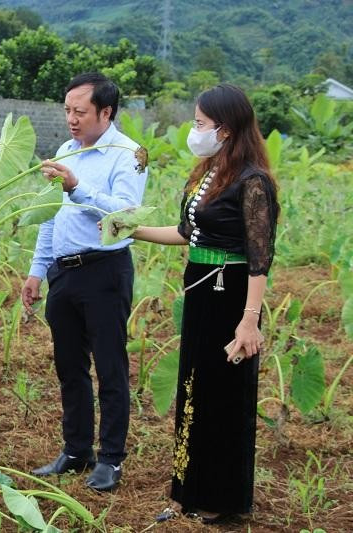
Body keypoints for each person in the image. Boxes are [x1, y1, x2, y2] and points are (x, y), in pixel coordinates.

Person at [132, 84, 278, 523]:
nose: (194, 131)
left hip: (230, 293)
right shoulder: (208, 172)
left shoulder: (253, 182)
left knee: (224, 396)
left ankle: (221, 497)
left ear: (226, 129)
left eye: (199, 124)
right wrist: (130, 230)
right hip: (199, 289)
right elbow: (186, 234)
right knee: (193, 388)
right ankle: (188, 491)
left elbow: (259, 257)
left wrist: (249, 321)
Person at [21, 72, 148, 491]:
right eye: (67, 111)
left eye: (80, 112)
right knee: (69, 367)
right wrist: (38, 269)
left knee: (110, 367)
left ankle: (110, 458)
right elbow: (52, 213)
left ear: (105, 112)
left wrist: (78, 188)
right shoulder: (65, 150)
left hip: (104, 272)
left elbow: (126, 216)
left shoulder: (128, 155)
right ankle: (76, 450)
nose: (71, 119)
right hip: (64, 272)